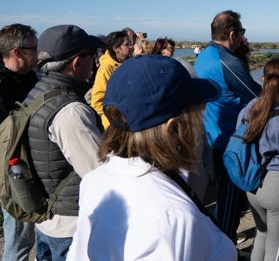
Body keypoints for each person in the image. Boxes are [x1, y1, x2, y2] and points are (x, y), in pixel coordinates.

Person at [66, 55, 236, 261]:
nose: (199, 126)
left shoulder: (95, 180)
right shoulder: (173, 217)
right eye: (197, 117)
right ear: (175, 128)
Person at [24, 25, 104, 261]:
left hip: (48, 219)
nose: (96, 63)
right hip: (71, 225)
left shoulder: (38, 92)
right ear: (77, 63)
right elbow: (98, 172)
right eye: (93, 56)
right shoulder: (70, 111)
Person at [194, 10, 261, 241]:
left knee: (223, 193)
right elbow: (256, 94)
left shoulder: (204, 55)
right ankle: (225, 245)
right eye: (241, 32)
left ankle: (220, 239)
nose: (242, 37)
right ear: (232, 34)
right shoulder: (228, 61)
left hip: (212, 132)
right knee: (230, 198)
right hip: (229, 138)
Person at [236, 58, 279, 261]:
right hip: (277, 186)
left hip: (252, 185)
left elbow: (238, 138)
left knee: (262, 234)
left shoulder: (249, 108)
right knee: (275, 248)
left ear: (263, 78)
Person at [0, 24, 39, 261]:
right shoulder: (3, 86)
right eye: (34, 48)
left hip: (33, 163)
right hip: (14, 170)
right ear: (18, 52)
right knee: (19, 236)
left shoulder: (31, 76)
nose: (39, 52)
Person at [90, 31, 133, 130]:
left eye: (131, 43)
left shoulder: (129, 62)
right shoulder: (106, 68)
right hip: (115, 127)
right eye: (127, 44)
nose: (131, 46)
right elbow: (97, 102)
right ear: (116, 49)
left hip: (130, 120)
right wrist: (114, 119)